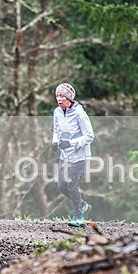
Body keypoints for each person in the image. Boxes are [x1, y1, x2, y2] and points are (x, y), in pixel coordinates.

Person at [51, 82, 94, 227]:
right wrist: (55, 142)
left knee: (71, 185)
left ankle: (78, 217)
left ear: (69, 98)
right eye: (57, 95)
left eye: (62, 96)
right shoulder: (57, 112)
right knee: (62, 185)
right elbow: (56, 130)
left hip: (79, 155)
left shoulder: (80, 114)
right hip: (65, 155)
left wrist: (71, 143)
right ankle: (82, 205)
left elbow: (89, 136)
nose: (59, 99)